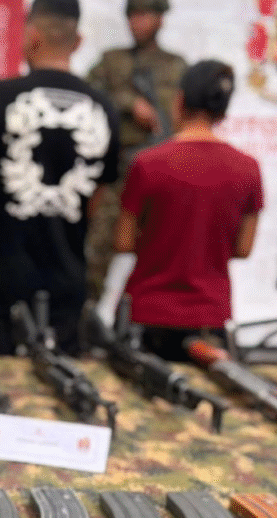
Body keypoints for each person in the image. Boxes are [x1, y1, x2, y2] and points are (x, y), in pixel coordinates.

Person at [0, 0, 120, 356]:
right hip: (65, 284)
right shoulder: (104, 108)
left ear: (32, 36)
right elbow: (97, 202)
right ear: (78, 41)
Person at [112, 60, 263, 361]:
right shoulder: (248, 169)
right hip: (209, 318)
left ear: (179, 101)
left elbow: (123, 242)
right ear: (223, 111)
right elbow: (243, 249)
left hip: (147, 314)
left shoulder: (147, 163)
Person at [84, 0, 186, 299]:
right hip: (118, 170)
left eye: (145, 15)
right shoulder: (111, 61)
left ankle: (150, 316)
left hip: (161, 174)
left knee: (162, 252)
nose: (137, 23)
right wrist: (129, 103)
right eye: (133, 16)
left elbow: (189, 116)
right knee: (96, 250)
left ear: (160, 19)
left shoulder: (177, 66)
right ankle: (86, 313)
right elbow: (87, 93)